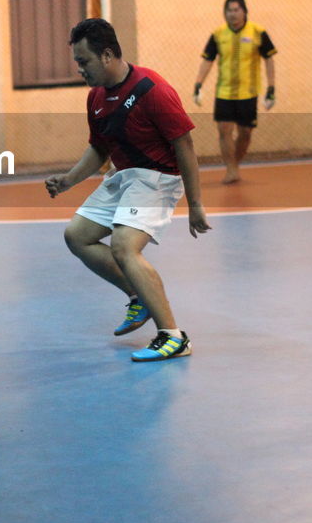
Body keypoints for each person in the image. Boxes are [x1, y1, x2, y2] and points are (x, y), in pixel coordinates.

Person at [45, 18, 211, 362]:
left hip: (157, 178)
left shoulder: (153, 90)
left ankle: (173, 336)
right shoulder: (95, 98)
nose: (79, 69)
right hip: (125, 177)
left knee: (124, 247)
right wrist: (68, 180)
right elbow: (99, 149)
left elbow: (185, 145)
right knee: (77, 235)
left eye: (83, 61)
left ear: (107, 55)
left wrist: (196, 204)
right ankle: (139, 296)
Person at [193, 0, 277, 184]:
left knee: (245, 133)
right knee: (224, 130)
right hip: (224, 92)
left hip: (248, 92)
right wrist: (198, 84)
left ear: (244, 11)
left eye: (236, 10)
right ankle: (231, 169)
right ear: (225, 13)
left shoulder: (258, 32)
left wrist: (271, 88)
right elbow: (207, 60)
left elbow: (269, 60)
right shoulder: (218, 34)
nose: (232, 14)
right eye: (229, 10)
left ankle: (234, 164)